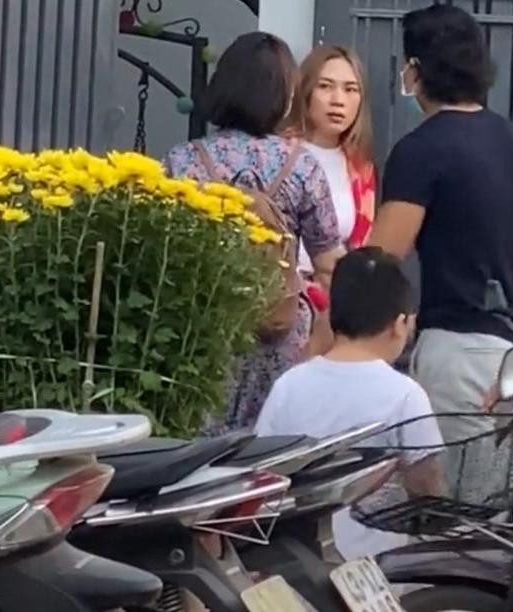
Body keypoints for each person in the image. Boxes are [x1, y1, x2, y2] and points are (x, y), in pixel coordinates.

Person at [368, 6, 513, 453]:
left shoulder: (420, 150)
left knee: (455, 491)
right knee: (503, 489)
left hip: (456, 350)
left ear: (415, 70)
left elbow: (380, 261)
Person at [164, 32, 344, 431]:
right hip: (280, 330)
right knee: (272, 440)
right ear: (285, 95)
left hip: (203, 329)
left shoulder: (182, 162)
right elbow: (330, 264)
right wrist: (324, 338)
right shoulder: (302, 165)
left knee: (200, 439)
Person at [255, 247, 444, 559]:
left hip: (297, 564)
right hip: (375, 570)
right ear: (400, 323)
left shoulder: (289, 384)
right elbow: (426, 488)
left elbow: (262, 473)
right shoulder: (405, 395)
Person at [284, 45, 377, 356]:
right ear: (305, 91)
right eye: (325, 86)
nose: (338, 100)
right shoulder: (280, 153)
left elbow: (360, 246)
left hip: (334, 311)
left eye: (351, 90)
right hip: (280, 301)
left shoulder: (360, 169)